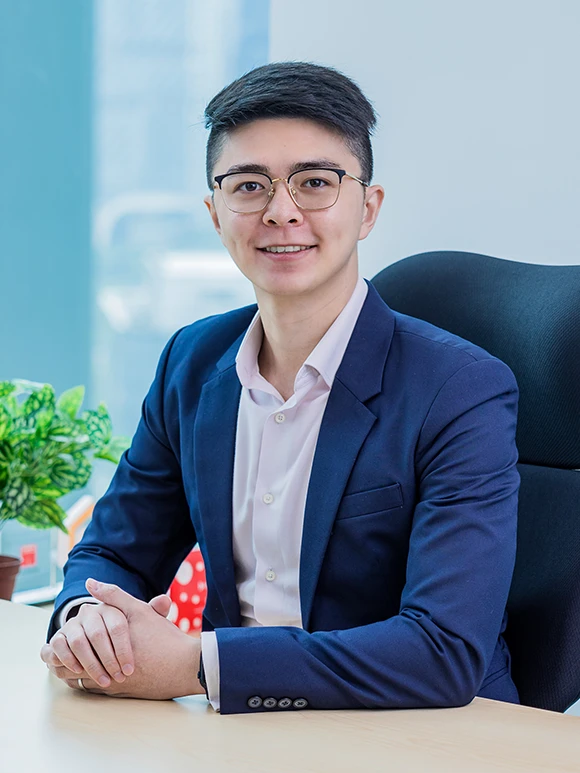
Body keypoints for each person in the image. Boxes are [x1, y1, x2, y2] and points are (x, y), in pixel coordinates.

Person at [41, 61, 520, 714]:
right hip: (238, 734)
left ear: (368, 207)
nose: (281, 211)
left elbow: (443, 649)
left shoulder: (461, 388)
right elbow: (111, 551)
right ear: (215, 213)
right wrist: (86, 619)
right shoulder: (193, 359)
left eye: (315, 182)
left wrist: (194, 662)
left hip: (424, 736)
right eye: (249, 185)